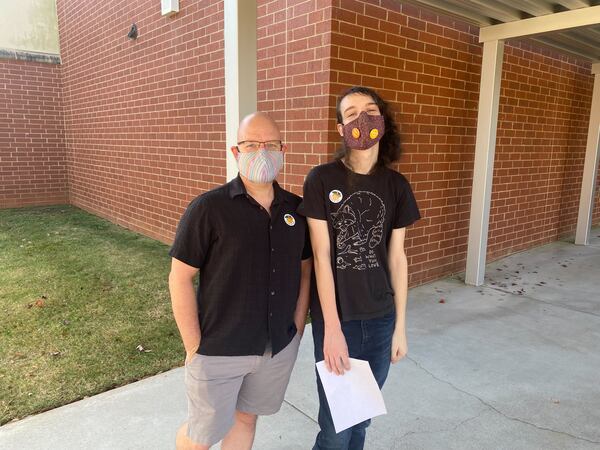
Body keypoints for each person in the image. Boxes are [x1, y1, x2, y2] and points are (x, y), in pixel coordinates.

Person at [168, 112, 312, 450]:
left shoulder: (297, 210)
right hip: (218, 349)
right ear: (236, 152)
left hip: (276, 347)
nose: (261, 151)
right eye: (251, 144)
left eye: (270, 144)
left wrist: (296, 327)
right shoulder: (208, 209)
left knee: (246, 418)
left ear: (283, 149)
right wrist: (193, 345)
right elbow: (179, 277)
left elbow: (305, 271)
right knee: (200, 436)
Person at [299, 86, 421, 449]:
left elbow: (397, 259)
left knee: (361, 420)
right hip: (340, 321)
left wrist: (400, 327)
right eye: (351, 113)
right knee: (336, 429)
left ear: (382, 121)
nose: (362, 118)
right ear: (340, 128)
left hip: (382, 319)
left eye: (370, 110)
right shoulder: (321, 179)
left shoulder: (396, 185)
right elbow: (321, 256)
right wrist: (331, 330)